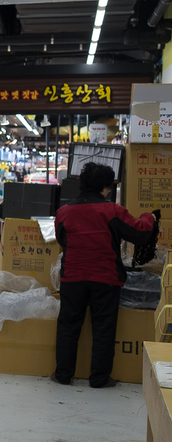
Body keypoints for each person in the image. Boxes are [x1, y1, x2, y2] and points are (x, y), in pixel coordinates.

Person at [51, 162, 156, 388]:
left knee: (68, 326)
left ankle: (63, 375)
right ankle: (99, 379)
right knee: (104, 328)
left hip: (72, 277)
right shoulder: (112, 211)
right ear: (106, 188)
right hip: (105, 278)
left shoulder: (64, 212)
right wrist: (149, 216)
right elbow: (140, 233)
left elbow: (62, 240)